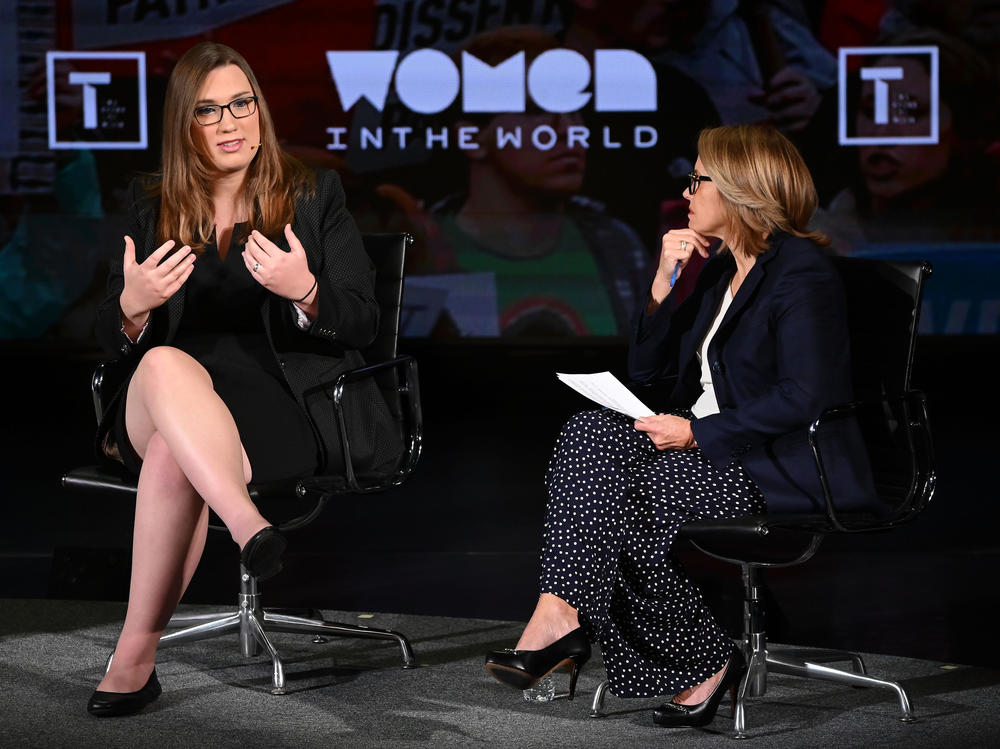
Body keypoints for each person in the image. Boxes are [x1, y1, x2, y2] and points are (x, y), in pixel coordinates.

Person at [484, 124, 875, 727]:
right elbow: (651, 372)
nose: (687, 192)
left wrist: (696, 434)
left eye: (699, 178)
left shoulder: (802, 273)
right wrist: (663, 287)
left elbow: (807, 394)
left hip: (783, 461)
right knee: (589, 434)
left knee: (634, 505)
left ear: (743, 188)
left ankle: (704, 662)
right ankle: (557, 612)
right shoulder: (725, 271)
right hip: (718, 445)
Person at [87, 41, 400, 717]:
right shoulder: (149, 205)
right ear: (184, 125)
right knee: (166, 365)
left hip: (279, 402)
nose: (231, 123)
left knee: (175, 452)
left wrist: (308, 289)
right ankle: (248, 521)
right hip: (156, 397)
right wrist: (131, 308)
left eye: (241, 103)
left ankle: (133, 656)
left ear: (260, 109)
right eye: (208, 110)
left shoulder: (314, 195)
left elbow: (363, 322)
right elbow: (96, 336)